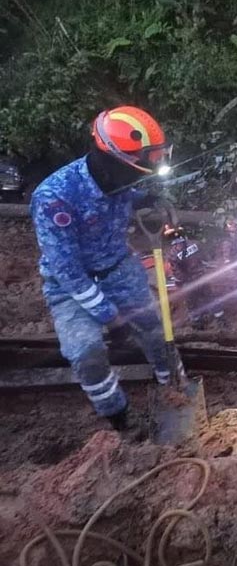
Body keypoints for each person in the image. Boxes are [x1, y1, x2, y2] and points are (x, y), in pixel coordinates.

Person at [30, 106, 173, 430]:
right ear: (109, 162)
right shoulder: (55, 198)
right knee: (86, 353)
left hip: (118, 267)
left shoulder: (117, 179)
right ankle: (120, 418)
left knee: (156, 328)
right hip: (70, 285)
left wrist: (147, 200)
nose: (139, 177)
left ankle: (172, 386)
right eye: (136, 172)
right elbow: (68, 272)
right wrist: (110, 315)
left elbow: (125, 196)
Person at [162, 224, 218, 326]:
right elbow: (204, 258)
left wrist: (180, 282)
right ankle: (220, 318)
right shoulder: (195, 244)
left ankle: (197, 322)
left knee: (192, 302)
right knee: (209, 297)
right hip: (201, 276)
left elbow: (177, 272)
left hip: (189, 281)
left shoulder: (173, 254)